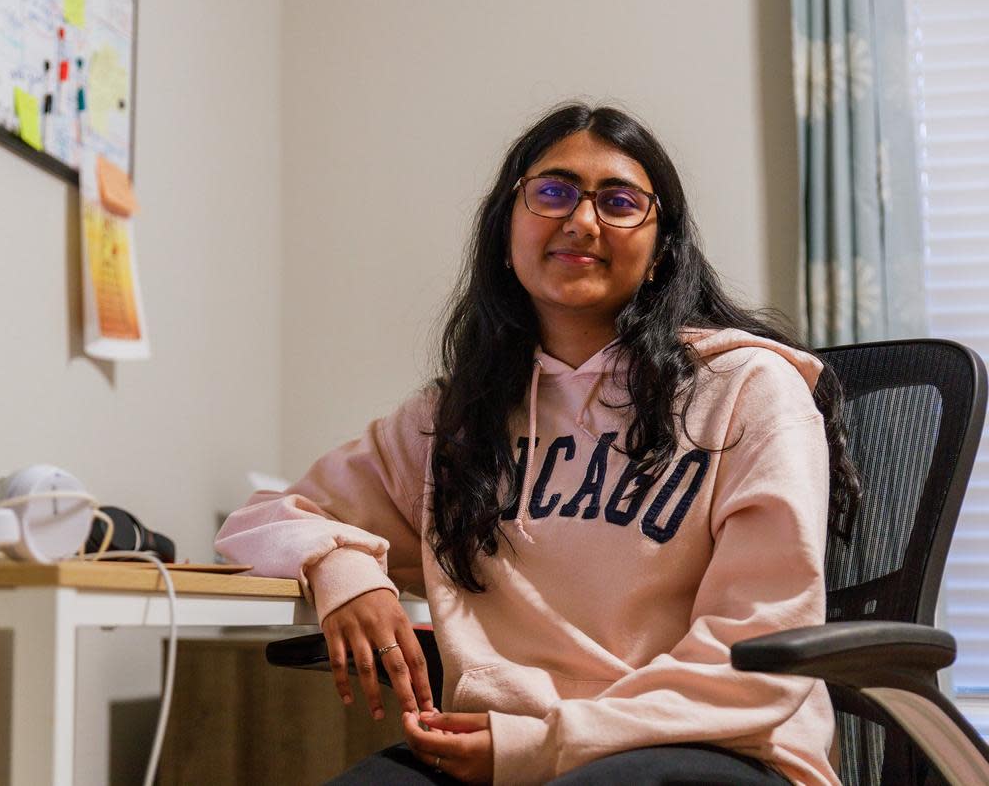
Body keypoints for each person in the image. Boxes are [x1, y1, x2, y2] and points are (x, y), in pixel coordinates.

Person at [215, 102, 856, 785]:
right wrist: (343, 571)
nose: (580, 221)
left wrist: (553, 741)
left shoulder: (746, 390)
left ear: (663, 247)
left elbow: (753, 655)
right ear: (505, 229)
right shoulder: (455, 419)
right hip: (501, 752)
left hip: (718, 746)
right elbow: (261, 521)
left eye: (619, 201)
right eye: (552, 192)